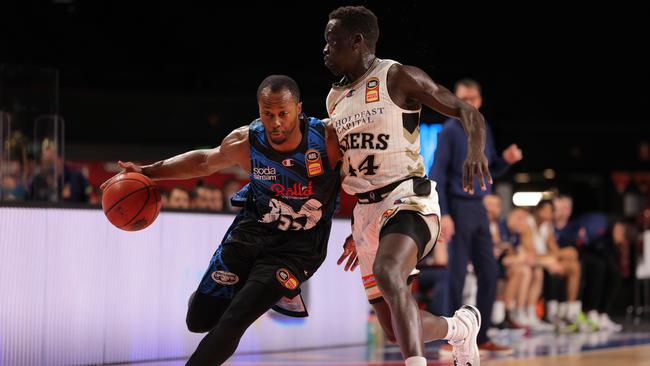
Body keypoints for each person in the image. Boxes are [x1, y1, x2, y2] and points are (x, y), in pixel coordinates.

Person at [101, 75, 341, 366]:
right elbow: (204, 161)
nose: (276, 122)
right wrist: (147, 172)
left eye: (283, 114)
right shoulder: (246, 141)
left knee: (234, 320)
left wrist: (363, 230)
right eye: (268, 114)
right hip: (252, 231)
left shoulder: (328, 139)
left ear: (299, 108)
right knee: (199, 320)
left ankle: (257, 290)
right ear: (259, 110)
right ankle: (239, 286)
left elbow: (365, 178)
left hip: (297, 248)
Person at [324, 6, 490, 365]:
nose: (325, 49)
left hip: (407, 198)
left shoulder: (396, 77)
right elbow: (340, 166)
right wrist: (360, 230)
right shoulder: (334, 99)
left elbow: (467, 111)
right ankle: (458, 327)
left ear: (357, 42)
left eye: (332, 41)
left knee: (387, 271)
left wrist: (475, 150)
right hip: (367, 213)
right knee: (394, 328)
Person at [431, 79, 521, 353]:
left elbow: (490, 168)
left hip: (479, 207)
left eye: (472, 99)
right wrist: (444, 213)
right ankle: (452, 337)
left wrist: (505, 159)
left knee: (490, 272)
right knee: (456, 273)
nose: (468, 104)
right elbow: (438, 174)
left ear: (479, 101)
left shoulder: (483, 129)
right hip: (458, 206)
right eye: (462, 99)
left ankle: (481, 337)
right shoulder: (449, 130)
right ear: (454, 102)